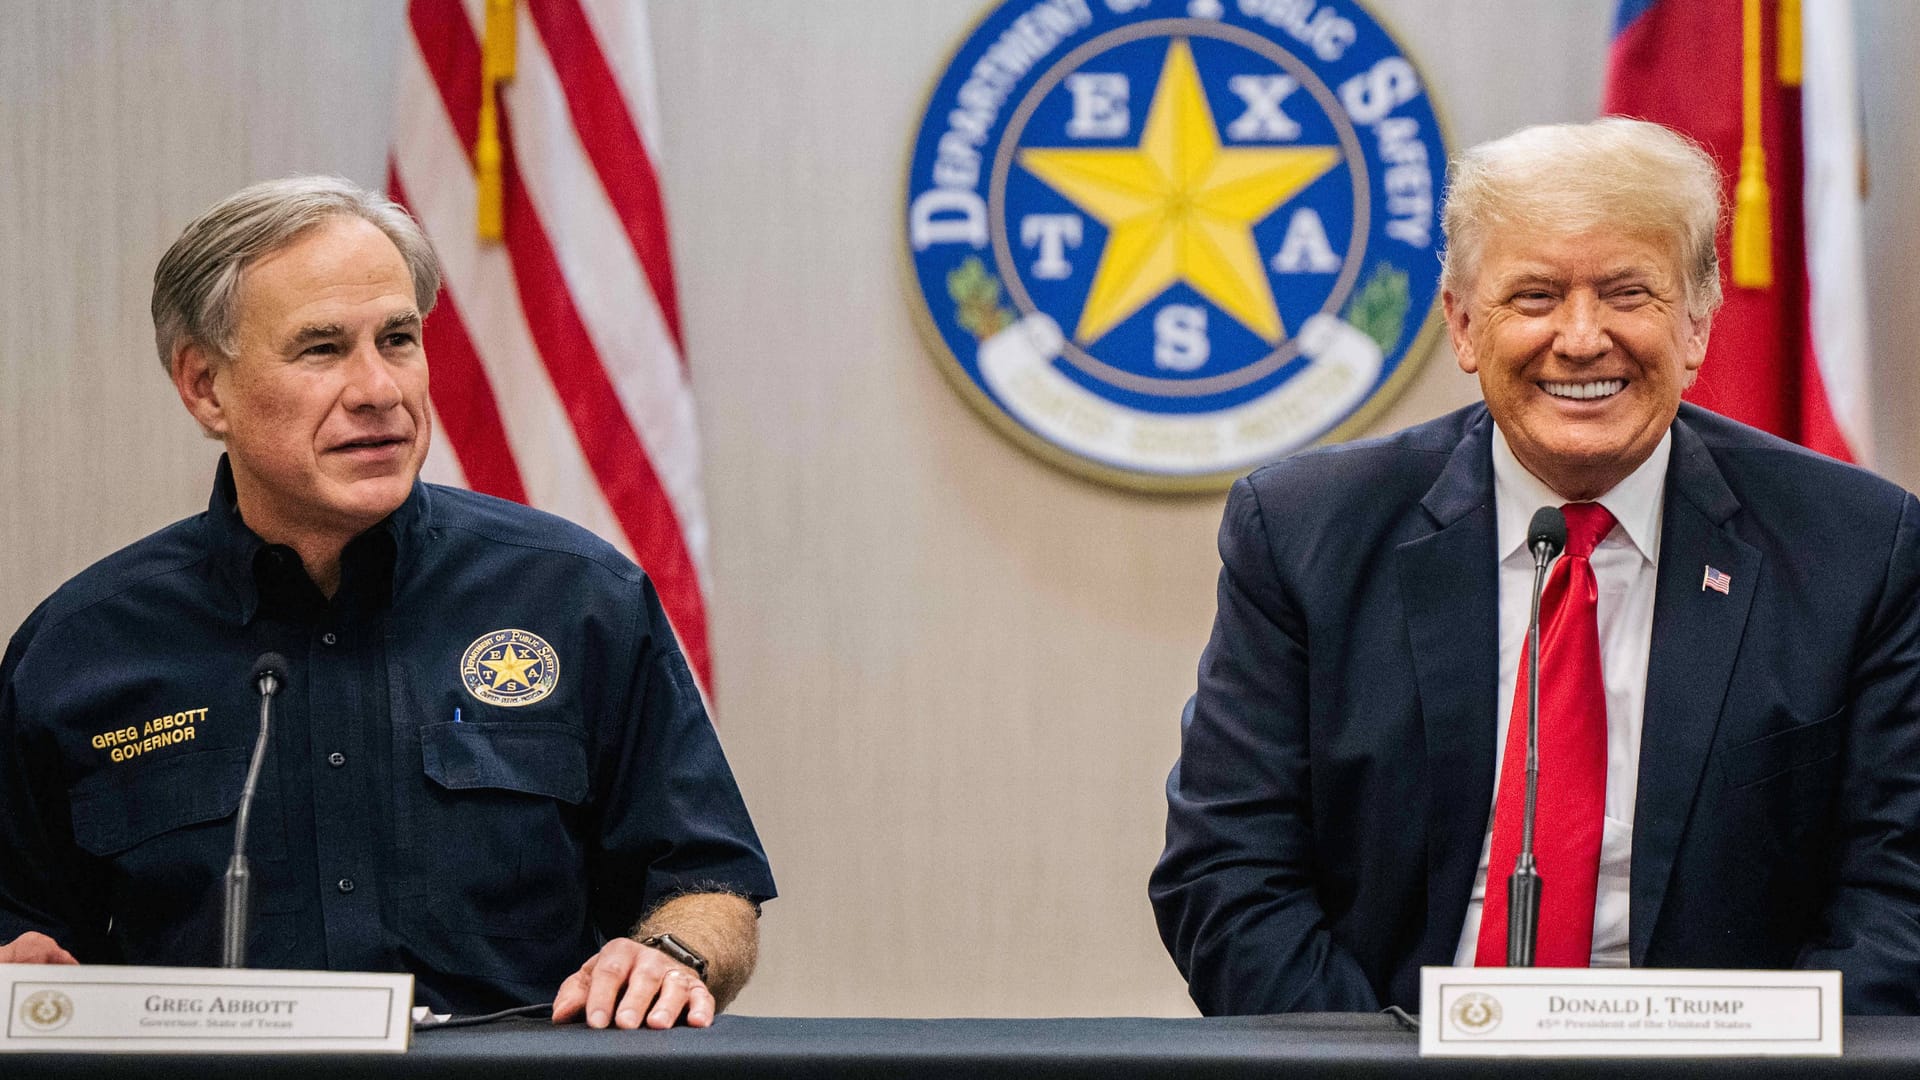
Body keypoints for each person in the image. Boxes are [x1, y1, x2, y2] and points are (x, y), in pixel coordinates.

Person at [1149, 118, 1920, 1015]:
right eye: (1535, 297)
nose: (1583, 337)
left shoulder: (1858, 546)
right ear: (1464, 324)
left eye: (1629, 293)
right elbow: (1229, 878)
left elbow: (1899, 897)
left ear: (1699, 321)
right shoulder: (1303, 532)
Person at [0, 177, 775, 1029]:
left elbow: (711, 884)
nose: (379, 388)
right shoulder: (79, 651)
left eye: (398, 339)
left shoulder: (577, 595)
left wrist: (670, 953)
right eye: (322, 349)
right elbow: (26, 930)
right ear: (204, 388)